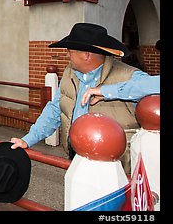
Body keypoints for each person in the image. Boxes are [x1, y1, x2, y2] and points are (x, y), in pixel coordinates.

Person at [10, 23, 160, 173]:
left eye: (70, 51)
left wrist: (107, 91)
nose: (67, 55)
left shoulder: (127, 75)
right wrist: (28, 139)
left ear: (86, 54)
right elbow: (55, 109)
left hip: (116, 166)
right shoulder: (70, 73)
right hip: (76, 155)